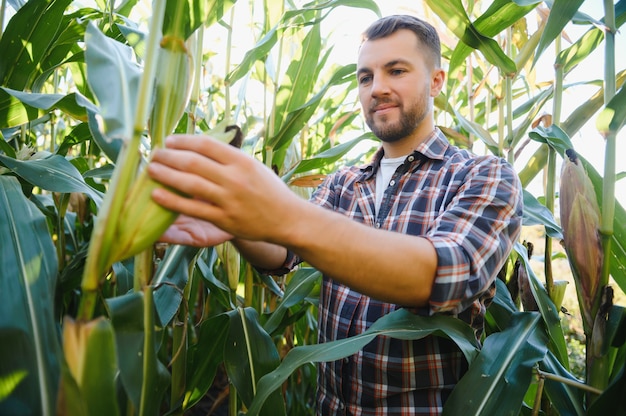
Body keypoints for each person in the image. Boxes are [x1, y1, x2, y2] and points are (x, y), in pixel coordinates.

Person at [148, 14, 523, 415]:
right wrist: (231, 218)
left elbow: (445, 273)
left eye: (396, 70)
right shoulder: (344, 183)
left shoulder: (483, 176)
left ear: (436, 81)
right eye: (365, 77)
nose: (377, 88)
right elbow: (283, 253)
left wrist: (282, 209)